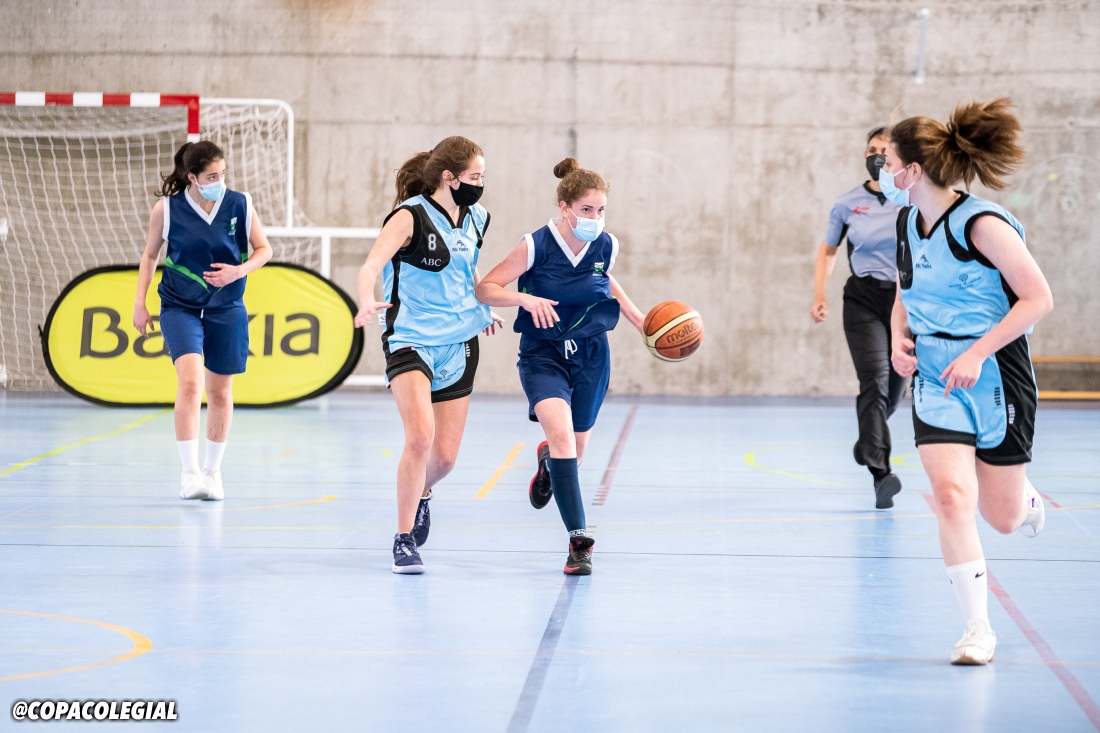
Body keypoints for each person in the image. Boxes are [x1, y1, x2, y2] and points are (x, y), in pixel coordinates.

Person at [883, 98, 1052, 665]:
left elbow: (1038, 299)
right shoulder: (906, 222)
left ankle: (1024, 499)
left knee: (1002, 519)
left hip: (994, 369)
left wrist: (978, 353)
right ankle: (977, 628)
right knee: (952, 497)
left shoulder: (982, 224)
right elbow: (905, 292)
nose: (882, 171)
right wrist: (898, 338)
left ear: (913, 170)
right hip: (935, 373)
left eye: (888, 161)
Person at [475, 158, 645, 576]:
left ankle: (547, 461)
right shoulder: (536, 245)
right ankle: (579, 542)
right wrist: (524, 298)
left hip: (591, 355)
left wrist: (642, 321)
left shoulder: (607, 245)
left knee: (575, 451)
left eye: (601, 210)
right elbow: (486, 288)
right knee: (564, 438)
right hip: (544, 354)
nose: (595, 218)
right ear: (565, 207)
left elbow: (605, 282)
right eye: (586, 209)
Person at [353, 137, 504, 575]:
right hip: (411, 337)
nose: (480, 184)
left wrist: (482, 305)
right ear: (449, 177)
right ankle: (403, 540)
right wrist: (365, 299)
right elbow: (370, 266)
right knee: (420, 437)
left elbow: (468, 267)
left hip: (459, 340)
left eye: (482, 176)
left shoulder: (477, 216)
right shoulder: (410, 216)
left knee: (445, 459)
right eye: (474, 176)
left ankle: (422, 490)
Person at [134, 140, 272, 501]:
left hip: (226, 307)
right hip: (179, 306)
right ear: (192, 177)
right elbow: (150, 256)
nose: (219, 181)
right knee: (191, 384)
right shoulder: (166, 210)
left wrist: (238, 270)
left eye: (222, 174)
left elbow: (264, 249)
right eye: (212, 176)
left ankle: (212, 472)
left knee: (221, 392)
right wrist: (139, 303)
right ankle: (189, 474)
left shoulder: (240, 204)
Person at [812, 128, 908, 509]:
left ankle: (868, 441)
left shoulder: (912, 201)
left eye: (885, 150)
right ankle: (881, 474)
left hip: (905, 303)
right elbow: (828, 250)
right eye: (872, 150)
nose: (878, 156)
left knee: (895, 391)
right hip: (863, 300)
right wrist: (820, 294)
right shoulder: (848, 203)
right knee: (875, 380)